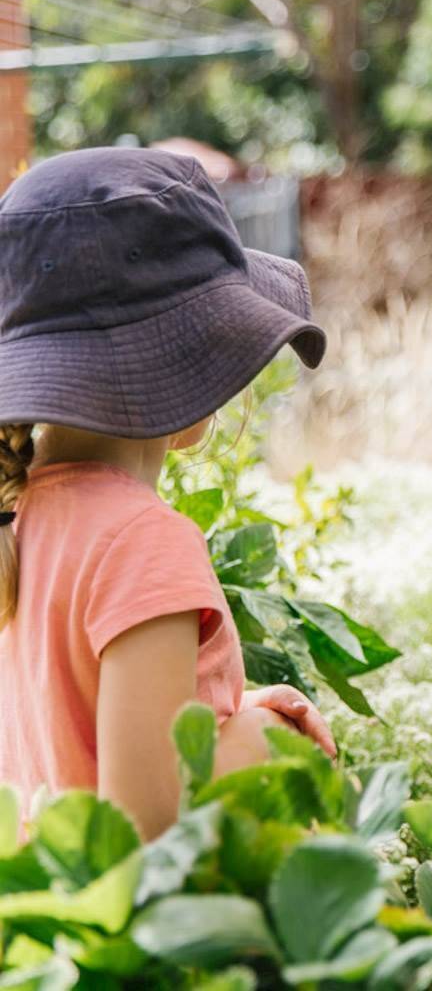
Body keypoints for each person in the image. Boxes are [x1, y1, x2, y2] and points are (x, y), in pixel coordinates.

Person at [0, 148, 337, 841]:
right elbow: (143, 837)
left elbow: (80, 756)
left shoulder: (18, 514)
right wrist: (266, 741)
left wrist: (219, 717)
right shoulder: (142, 542)